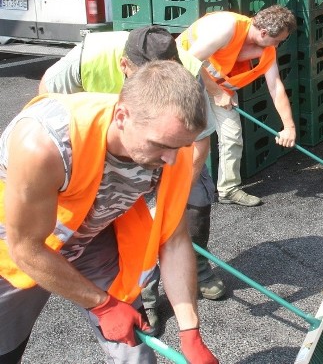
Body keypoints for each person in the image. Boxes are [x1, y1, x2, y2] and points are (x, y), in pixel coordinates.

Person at [0, 60, 217, 364]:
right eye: (160, 146)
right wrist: (101, 304)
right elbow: (25, 247)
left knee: (135, 345)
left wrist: (189, 330)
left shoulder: (172, 146)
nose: (171, 160)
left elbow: (175, 238)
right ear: (121, 116)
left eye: (180, 147)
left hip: (93, 235)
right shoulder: (45, 143)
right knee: (5, 348)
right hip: (18, 245)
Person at [38, 25, 228, 333]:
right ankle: (147, 297)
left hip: (167, 150)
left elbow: (199, 145)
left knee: (192, 205)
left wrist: (170, 198)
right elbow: (48, 100)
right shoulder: (89, 58)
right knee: (124, 230)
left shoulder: (185, 75)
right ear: (126, 67)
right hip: (99, 154)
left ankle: (194, 272)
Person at [178, 5, 298, 207]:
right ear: (263, 32)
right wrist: (217, 93)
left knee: (232, 134)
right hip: (182, 75)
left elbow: (275, 86)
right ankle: (177, 195)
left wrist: (289, 127)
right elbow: (189, 60)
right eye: (277, 41)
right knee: (196, 138)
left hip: (215, 84)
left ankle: (228, 190)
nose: (277, 46)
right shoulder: (226, 27)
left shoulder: (266, 49)